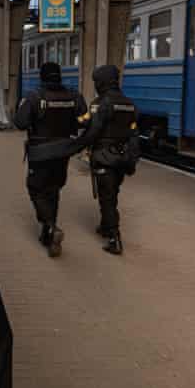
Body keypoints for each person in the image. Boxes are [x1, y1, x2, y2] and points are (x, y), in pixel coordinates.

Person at [14, 62, 87, 257]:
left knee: (36, 188)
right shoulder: (74, 96)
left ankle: (50, 226)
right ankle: (48, 235)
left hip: (40, 152)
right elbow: (85, 120)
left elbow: (20, 123)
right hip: (63, 151)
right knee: (53, 189)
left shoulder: (34, 97)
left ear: (42, 77)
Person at [71, 64, 140, 255]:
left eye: (96, 82)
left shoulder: (99, 104)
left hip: (103, 158)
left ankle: (114, 238)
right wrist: (132, 160)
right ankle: (104, 225)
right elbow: (134, 134)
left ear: (101, 82)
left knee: (106, 199)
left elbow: (89, 129)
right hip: (122, 158)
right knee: (112, 193)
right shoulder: (130, 104)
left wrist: (74, 147)